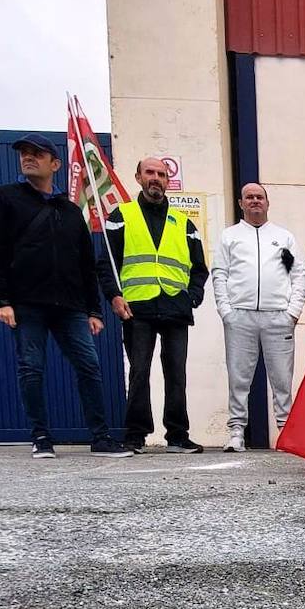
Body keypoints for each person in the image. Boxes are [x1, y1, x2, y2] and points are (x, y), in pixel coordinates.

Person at [0, 133, 132, 458]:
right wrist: (0, 300)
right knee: (31, 368)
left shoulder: (72, 211)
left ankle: (100, 437)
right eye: (24, 154)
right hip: (26, 302)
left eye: (37, 154)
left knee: (89, 366)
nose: (29, 158)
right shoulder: (5, 198)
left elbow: (86, 264)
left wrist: (94, 310)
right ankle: (41, 438)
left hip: (70, 306)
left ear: (55, 164)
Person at [98, 157, 209, 454]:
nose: (156, 178)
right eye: (150, 173)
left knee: (176, 374)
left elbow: (199, 267)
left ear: (167, 181)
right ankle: (136, 435)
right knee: (139, 372)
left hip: (175, 307)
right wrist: (114, 296)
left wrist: (193, 295)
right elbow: (106, 263)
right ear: (138, 177)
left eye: (161, 174)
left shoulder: (184, 223)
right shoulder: (121, 216)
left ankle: (177, 435)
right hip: (138, 307)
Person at [212, 183, 305, 453]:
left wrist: (293, 312)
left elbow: (298, 275)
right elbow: (219, 274)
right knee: (239, 377)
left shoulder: (284, 237)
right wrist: (226, 311)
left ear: (267, 202)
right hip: (240, 317)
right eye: (249, 197)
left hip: (278, 318)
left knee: (282, 378)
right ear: (241, 203)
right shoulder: (230, 236)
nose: (255, 201)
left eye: (259, 197)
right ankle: (236, 433)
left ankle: (286, 432)